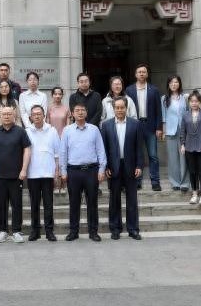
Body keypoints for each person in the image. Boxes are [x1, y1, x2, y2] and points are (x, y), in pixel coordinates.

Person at [59, 103, 106, 242]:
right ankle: (73, 231)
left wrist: (101, 169)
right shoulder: (67, 130)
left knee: (92, 203)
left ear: (86, 113)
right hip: (73, 171)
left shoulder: (94, 129)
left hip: (91, 171)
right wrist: (63, 171)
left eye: (82, 110)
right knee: (74, 203)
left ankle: (93, 232)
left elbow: (100, 150)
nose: (80, 112)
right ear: (72, 114)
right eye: (77, 110)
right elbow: (63, 152)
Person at [101, 96, 146, 241]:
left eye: (122, 107)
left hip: (131, 166)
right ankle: (115, 228)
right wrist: (106, 166)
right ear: (113, 108)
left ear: (126, 108)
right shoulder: (106, 125)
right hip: (113, 167)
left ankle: (133, 229)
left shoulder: (135, 124)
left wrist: (139, 165)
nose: (120, 110)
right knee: (114, 199)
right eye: (117, 108)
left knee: (132, 199)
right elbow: (104, 148)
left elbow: (139, 147)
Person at [0, 106, 32, 243]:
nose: (7, 116)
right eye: (4, 114)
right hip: (0, 175)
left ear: (14, 116)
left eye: (9, 114)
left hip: (16, 175)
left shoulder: (20, 132)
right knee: (1, 205)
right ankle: (2, 231)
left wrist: (24, 169)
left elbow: (27, 150)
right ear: (0, 116)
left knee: (17, 204)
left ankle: (16, 231)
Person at [25, 104, 60, 241]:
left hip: (48, 173)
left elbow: (57, 153)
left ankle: (49, 231)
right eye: (34, 114)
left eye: (39, 114)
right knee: (34, 204)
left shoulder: (52, 130)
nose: (37, 116)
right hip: (32, 173)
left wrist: (57, 171)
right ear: (30, 117)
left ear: (44, 115)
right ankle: (35, 231)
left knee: (48, 204)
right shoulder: (27, 131)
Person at [126, 64, 164, 191]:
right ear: (135, 74)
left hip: (150, 125)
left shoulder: (154, 90)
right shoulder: (129, 90)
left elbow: (158, 110)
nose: (141, 74)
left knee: (153, 155)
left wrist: (159, 127)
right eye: (139, 72)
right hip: (135, 125)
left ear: (147, 74)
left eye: (144, 72)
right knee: (137, 154)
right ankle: (137, 180)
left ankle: (155, 181)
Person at [179, 91, 201, 206]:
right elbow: (182, 131)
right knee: (192, 172)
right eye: (192, 101)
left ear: (200, 102)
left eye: (196, 101)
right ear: (189, 102)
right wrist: (182, 144)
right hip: (189, 147)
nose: (194, 103)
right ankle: (194, 194)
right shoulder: (185, 115)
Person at [162, 75, 189, 192]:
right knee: (173, 158)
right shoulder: (164, 99)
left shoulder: (185, 98)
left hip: (184, 130)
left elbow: (188, 113)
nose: (174, 84)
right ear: (168, 85)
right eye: (171, 82)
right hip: (170, 131)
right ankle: (175, 182)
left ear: (179, 84)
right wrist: (164, 131)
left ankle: (185, 182)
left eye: (176, 82)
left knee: (184, 157)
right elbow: (163, 117)